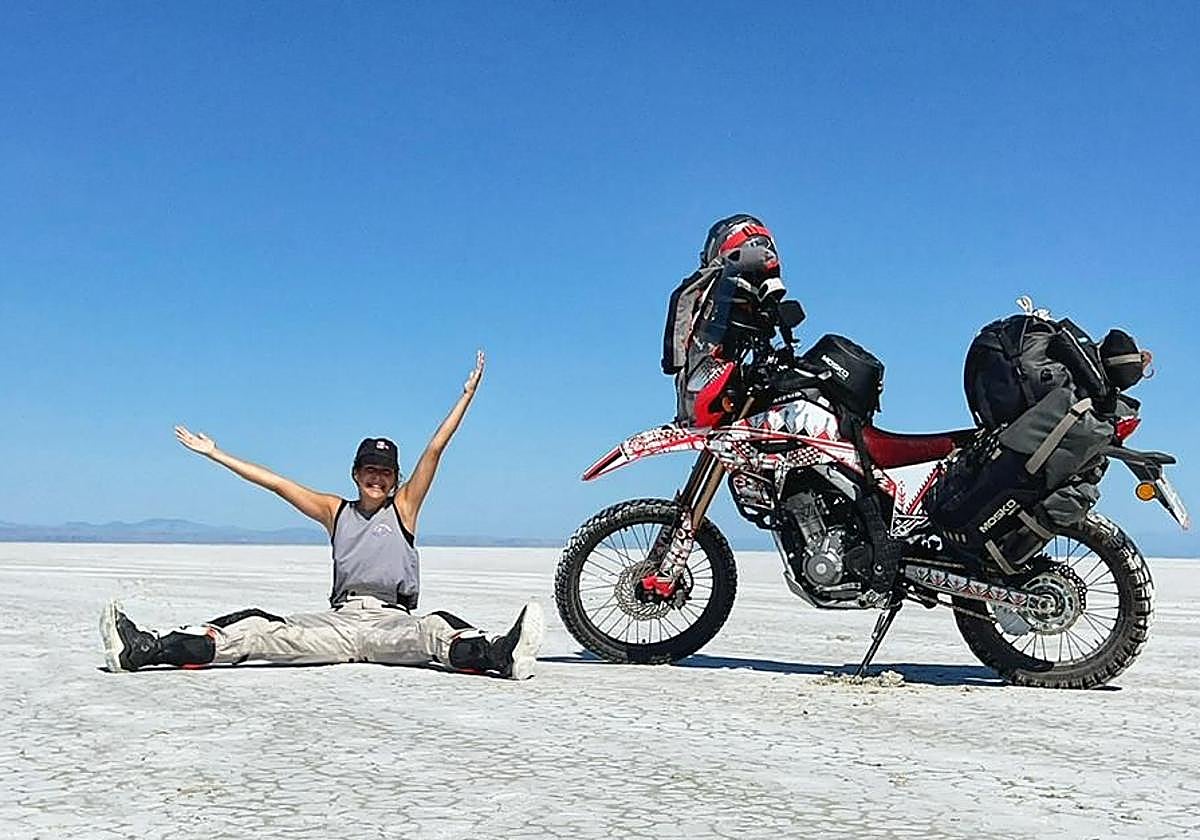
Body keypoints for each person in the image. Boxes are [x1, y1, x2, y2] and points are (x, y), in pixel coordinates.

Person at [99, 350, 544, 680]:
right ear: (355, 473)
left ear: (395, 479)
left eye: (385, 472)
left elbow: (435, 450)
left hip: (392, 623)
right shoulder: (336, 512)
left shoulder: (404, 509)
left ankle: (501, 654)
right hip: (335, 625)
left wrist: (464, 398)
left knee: (435, 631)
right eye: (369, 470)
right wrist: (217, 454)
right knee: (255, 630)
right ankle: (142, 649)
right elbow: (277, 483)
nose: (377, 478)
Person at [662, 214, 787, 425]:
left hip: (711, 388)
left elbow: (682, 298)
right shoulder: (766, 275)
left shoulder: (721, 271)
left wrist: (673, 361)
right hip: (743, 379)